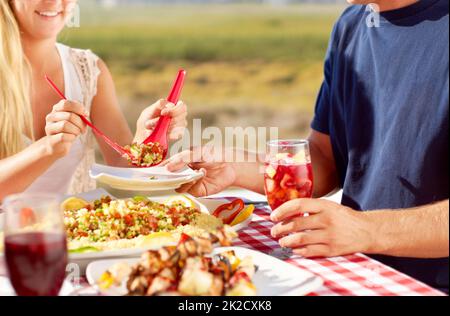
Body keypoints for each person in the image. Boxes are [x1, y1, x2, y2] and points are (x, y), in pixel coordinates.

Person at [164, 0, 449, 292]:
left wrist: (367, 230)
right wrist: (236, 168)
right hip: (354, 270)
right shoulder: (350, 26)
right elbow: (325, 159)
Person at [0, 0, 187, 200]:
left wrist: (146, 139)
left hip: (74, 229)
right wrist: (47, 149)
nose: (54, 1)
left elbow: (125, 169)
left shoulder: (88, 70)